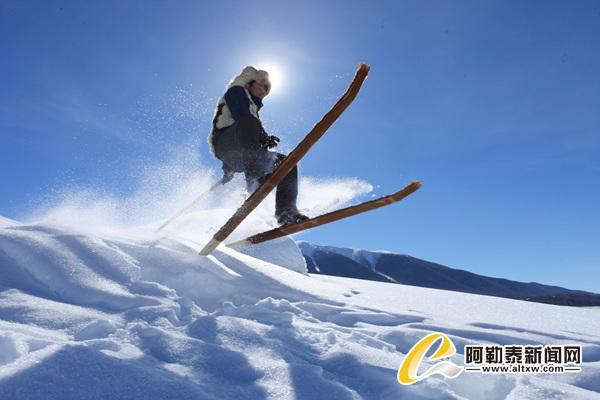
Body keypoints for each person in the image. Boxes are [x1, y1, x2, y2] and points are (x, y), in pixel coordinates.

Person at [208, 66, 308, 226]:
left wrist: (229, 169)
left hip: (240, 156)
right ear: (250, 83)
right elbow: (241, 118)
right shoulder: (236, 92)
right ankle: (254, 177)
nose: (264, 91)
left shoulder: (253, 111)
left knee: (286, 164)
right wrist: (262, 137)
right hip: (226, 145)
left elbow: (247, 133)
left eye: (267, 89)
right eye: (262, 85)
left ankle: (286, 214)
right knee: (249, 122)